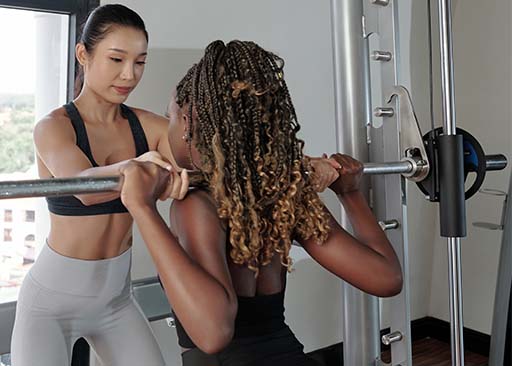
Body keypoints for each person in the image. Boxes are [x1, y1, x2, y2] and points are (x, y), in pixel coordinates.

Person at [120, 40, 403, 366]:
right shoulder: (283, 194)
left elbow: (212, 335)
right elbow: (386, 277)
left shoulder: (196, 205)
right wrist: (350, 193)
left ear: (188, 121)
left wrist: (142, 208)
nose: (166, 125)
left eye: (168, 116)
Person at [10, 4, 187, 365]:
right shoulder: (55, 126)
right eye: (116, 59)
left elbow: (197, 170)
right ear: (83, 55)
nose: (128, 75)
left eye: (139, 62)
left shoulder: (147, 126)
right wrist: (141, 167)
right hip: (50, 305)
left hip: (116, 301)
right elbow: (84, 187)